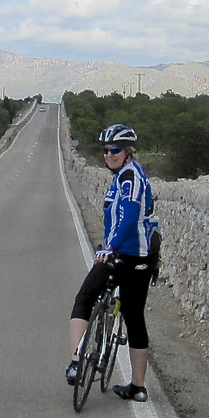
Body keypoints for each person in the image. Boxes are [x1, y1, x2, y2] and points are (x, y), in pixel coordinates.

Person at [66, 123, 161, 402]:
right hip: (140, 258)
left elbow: (130, 217)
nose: (109, 154)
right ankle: (138, 388)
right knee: (133, 317)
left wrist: (110, 248)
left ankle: (75, 363)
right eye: (106, 150)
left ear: (127, 151)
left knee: (84, 299)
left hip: (124, 256)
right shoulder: (122, 177)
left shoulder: (130, 177)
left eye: (115, 149)